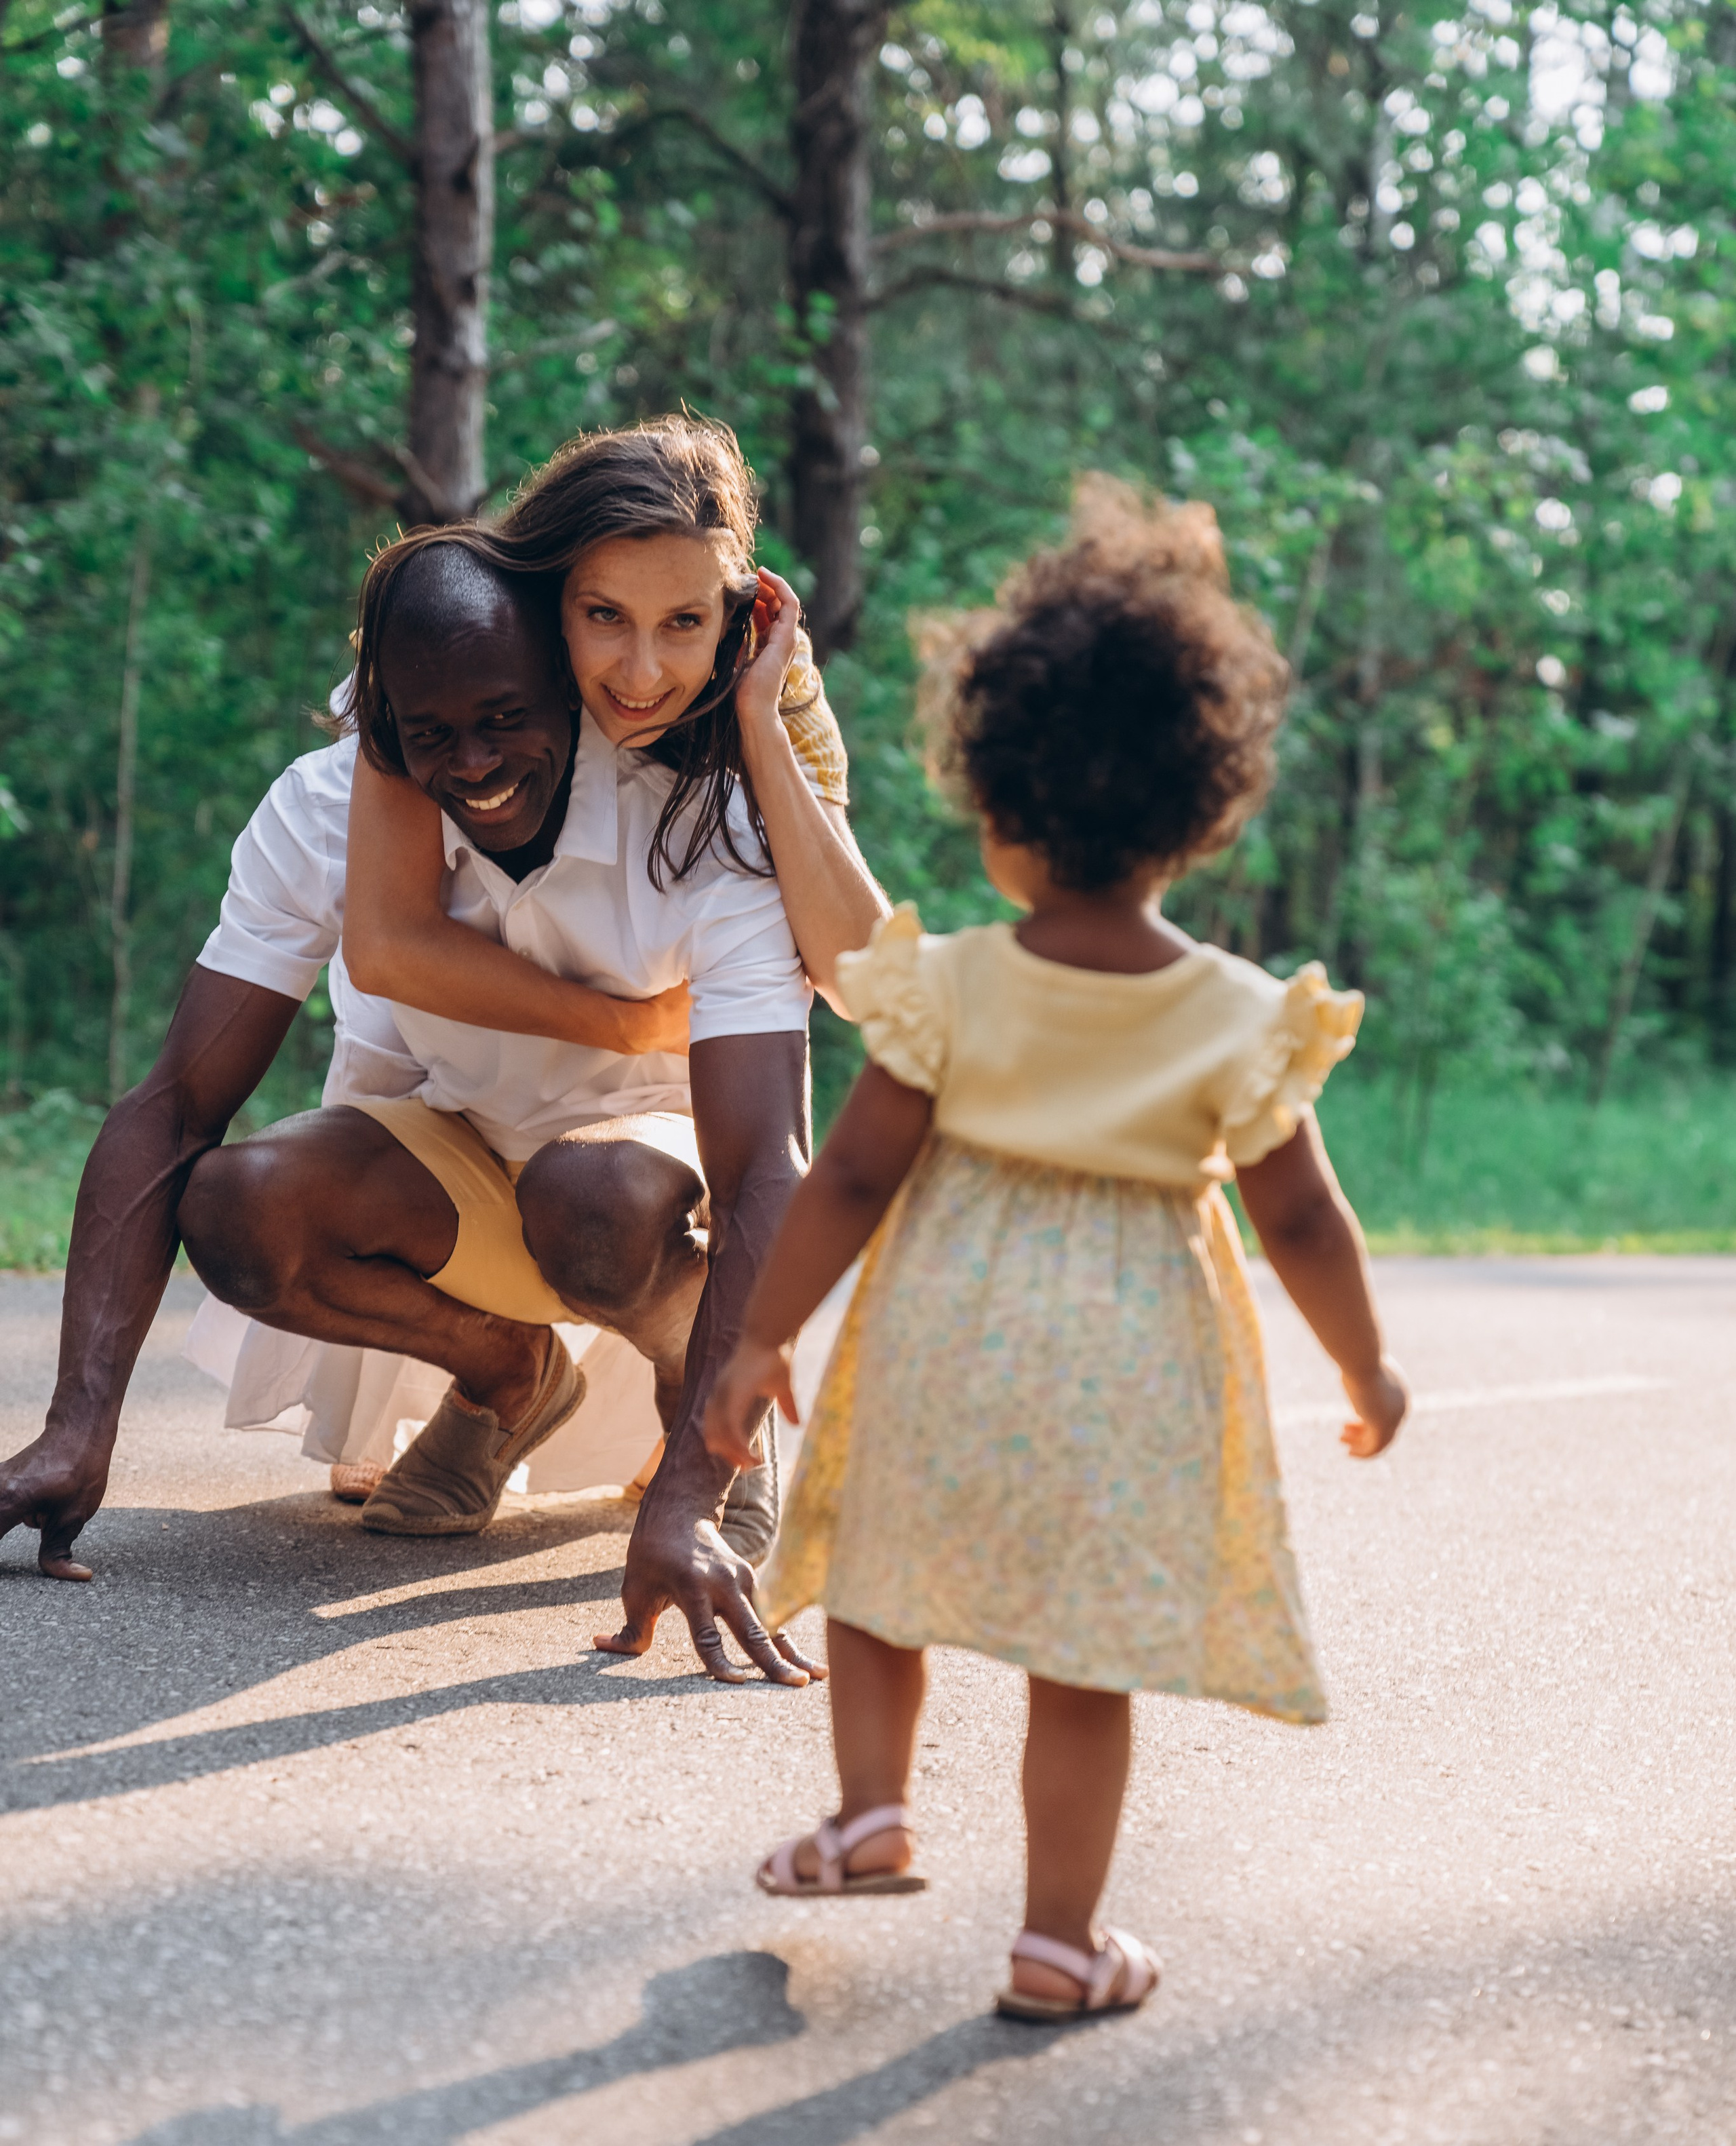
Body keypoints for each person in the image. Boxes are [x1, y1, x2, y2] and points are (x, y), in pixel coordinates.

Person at [0, 418, 886, 1687]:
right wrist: (75, 1426)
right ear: (383, 723)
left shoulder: (707, 813)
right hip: (455, 1147)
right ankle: (506, 1373)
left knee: (594, 1197)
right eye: (430, 732)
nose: (473, 763)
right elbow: (177, 1100)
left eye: (505, 719)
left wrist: (687, 1490)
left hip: (637, 1175)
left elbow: (765, 1170)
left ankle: (714, 1415)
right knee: (240, 1199)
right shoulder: (337, 799)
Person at [705, 478, 1409, 2015]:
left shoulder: (944, 985)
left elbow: (846, 1183)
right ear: (1202, 813)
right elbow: (1298, 1213)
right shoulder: (1237, 1012)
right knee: (1078, 1661)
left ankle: (872, 1808)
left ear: (998, 807)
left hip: (943, 1328)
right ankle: (1055, 1941)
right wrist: (1363, 1362)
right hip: (1131, 1358)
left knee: (884, 1577)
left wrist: (758, 1337)